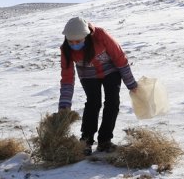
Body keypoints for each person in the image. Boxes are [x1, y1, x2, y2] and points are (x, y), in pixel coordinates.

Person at [58, 17, 138, 154]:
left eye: (78, 41)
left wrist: (131, 84)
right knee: (93, 103)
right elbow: (67, 78)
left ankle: (105, 140)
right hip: (88, 75)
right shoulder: (66, 49)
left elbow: (119, 58)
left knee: (112, 102)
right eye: (71, 42)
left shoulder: (101, 36)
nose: (74, 44)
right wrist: (64, 105)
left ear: (87, 36)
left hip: (111, 71)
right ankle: (86, 140)